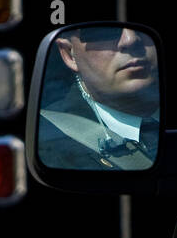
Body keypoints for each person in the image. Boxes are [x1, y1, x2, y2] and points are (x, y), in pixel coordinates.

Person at [38, 26, 161, 170]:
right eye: (105, 31)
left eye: (143, 25)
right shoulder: (47, 146)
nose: (130, 40)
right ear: (70, 55)